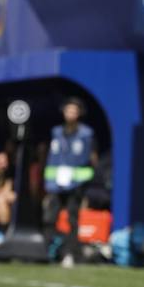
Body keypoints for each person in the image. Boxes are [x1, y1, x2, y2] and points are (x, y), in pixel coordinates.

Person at [43, 98, 97, 268]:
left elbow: (92, 158)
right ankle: (48, 251)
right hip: (56, 183)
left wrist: (86, 182)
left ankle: (70, 253)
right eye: (68, 110)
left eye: (74, 111)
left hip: (76, 183)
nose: (71, 114)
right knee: (50, 217)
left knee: (72, 220)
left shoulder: (86, 134)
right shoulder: (56, 132)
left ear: (79, 113)